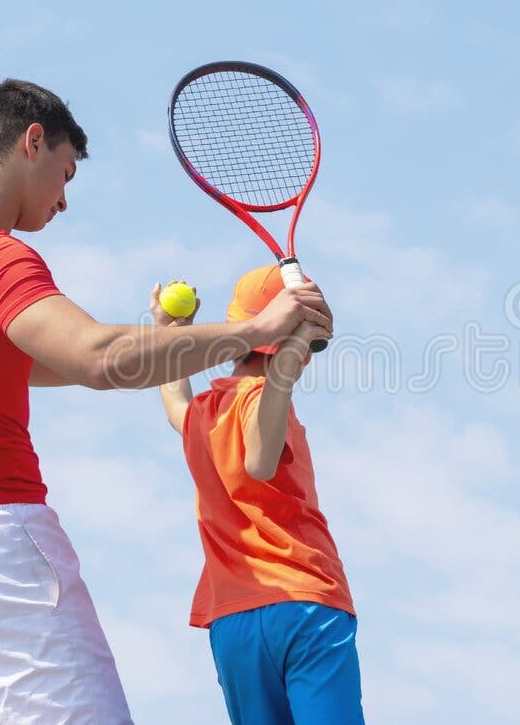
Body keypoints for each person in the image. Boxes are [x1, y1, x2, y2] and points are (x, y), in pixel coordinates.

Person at [0, 78, 333, 724]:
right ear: (32, 141)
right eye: (65, 174)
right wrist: (258, 330)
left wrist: (168, 343)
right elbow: (95, 357)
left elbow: (34, 362)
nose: (63, 202)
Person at [153, 266, 363, 725]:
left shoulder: (205, 413)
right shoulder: (267, 399)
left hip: (233, 622)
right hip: (305, 603)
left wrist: (170, 333)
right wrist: (282, 375)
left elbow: (175, 401)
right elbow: (259, 460)